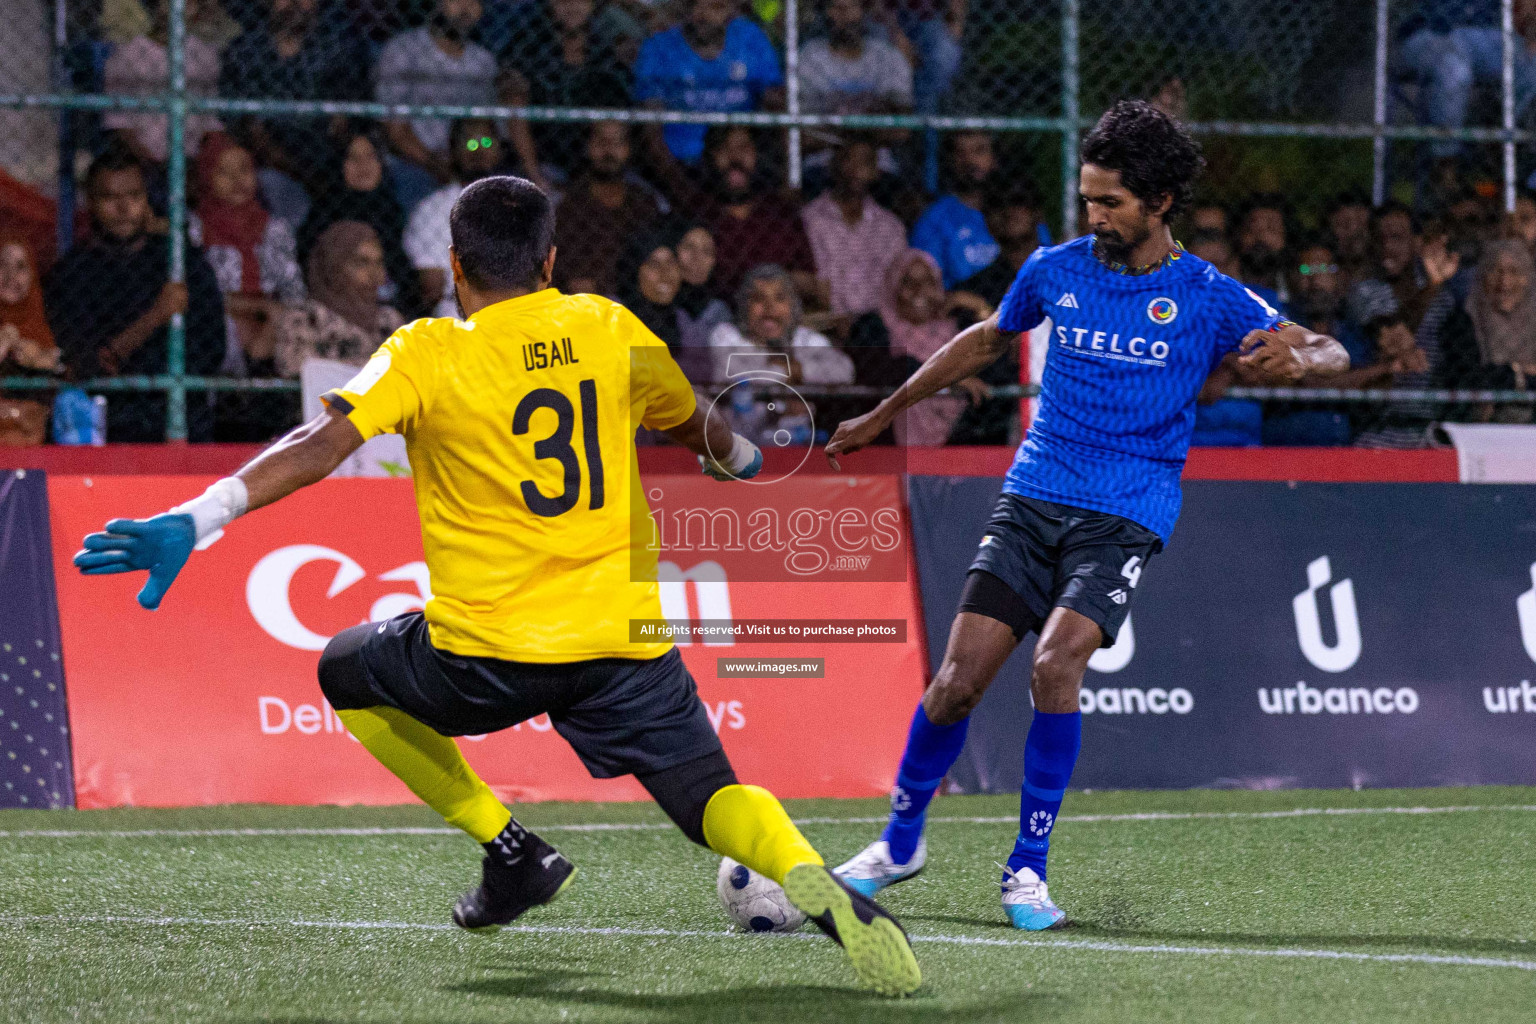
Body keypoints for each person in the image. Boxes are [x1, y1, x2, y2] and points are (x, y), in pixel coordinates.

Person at [71, 175, 920, 998]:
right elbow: (689, 416)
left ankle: (508, 847)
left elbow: (322, 441)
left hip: (486, 655)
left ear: (454, 266)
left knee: (344, 670)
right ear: (549, 263)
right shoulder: (607, 325)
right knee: (710, 800)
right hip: (623, 645)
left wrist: (201, 513)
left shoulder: (427, 349)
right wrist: (734, 457)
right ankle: (805, 870)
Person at [824, 100, 1346, 930]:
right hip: (1034, 495)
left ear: (1160, 202)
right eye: (1087, 199)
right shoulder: (1056, 268)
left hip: (1126, 510)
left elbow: (1330, 347)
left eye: (1110, 202)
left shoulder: (1206, 293)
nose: (1093, 215)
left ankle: (1026, 869)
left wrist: (1305, 356)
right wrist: (884, 411)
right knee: (955, 685)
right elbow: (989, 338)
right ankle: (898, 844)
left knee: (1055, 666)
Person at [45, 147, 226, 442]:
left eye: (133, 196)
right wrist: (157, 315)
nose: (123, 208)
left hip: (180, 411)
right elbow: (88, 364)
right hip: (108, 417)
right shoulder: (73, 273)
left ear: (147, 199)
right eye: (109, 198)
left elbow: (212, 345)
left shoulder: (180, 261)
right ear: (91, 202)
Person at [219, 0, 370, 226]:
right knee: (277, 189)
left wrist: (332, 171)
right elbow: (254, 133)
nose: (296, 3)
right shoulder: (246, 51)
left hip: (330, 160)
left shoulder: (337, 48)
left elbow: (343, 125)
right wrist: (304, 176)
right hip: (272, 166)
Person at [190, 133, 305, 376]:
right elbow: (197, 293)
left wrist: (270, 313)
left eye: (244, 169)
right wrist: (257, 306)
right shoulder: (194, 229)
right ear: (206, 176)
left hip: (269, 324)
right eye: (224, 172)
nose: (237, 180)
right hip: (217, 317)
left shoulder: (275, 229)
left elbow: (293, 291)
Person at [847, 248, 981, 445]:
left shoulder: (961, 327)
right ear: (892, 287)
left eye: (928, 282)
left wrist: (981, 308)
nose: (918, 290)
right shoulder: (874, 327)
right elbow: (885, 368)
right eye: (907, 282)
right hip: (889, 446)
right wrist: (945, 375)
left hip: (962, 443)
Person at [375, 0, 499, 207]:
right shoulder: (404, 51)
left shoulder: (483, 61)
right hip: (413, 163)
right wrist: (435, 164)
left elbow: (486, 129)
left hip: (469, 159)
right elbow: (395, 131)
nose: (466, 8)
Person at [298, 124, 425, 319]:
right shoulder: (323, 214)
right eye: (352, 158)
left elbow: (403, 278)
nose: (362, 165)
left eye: (370, 156)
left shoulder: (391, 211)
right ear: (339, 164)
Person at [633, 0, 784, 165]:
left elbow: (775, 103)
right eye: (695, 5)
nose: (703, 15)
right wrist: (680, 186)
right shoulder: (658, 48)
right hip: (679, 160)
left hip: (742, 159)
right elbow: (651, 130)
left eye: (715, 6)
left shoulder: (750, 38)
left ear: (731, 11)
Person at [494, 0, 633, 177]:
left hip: (597, 163)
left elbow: (616, 112)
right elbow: (513, 103)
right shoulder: (528, 46)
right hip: (544, 161)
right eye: (562, 1)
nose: (572, 6)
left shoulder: (605, 50)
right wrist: (535, 176)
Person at [697, 127, 819, 304]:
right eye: (724, 148)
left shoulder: (780, 212)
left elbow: (809, 283)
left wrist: (766, 287)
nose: (735, 157)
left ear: (757, 154)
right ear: (711, 156)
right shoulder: (698, 213)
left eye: (743, 147)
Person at [404, 118, 507, 318]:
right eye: (469, 143)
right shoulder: (432, 208)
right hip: (456, 313)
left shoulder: (520, 204)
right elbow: (431, 287)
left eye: (486, 142)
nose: (478, 150)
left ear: (500, 150)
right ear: (453, 152)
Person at [276, 220, 406, 377]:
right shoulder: (305, 319)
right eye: (361, 263)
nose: (375, 275)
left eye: (378, 263)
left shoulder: (389, 321)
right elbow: (296, 368)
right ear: (334, 267)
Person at [102, 0, 223, 168]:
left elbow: (211, 122)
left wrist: (202, 162)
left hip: (194, 161)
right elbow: (118, 123)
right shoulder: (128, 53)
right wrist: (149, 162)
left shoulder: (205, 53)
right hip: (142, 160)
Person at [552, 121, 666, 298]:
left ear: (629, 148)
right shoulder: (568, 204)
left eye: (618, 142)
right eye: (601, 140)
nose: (609, 149)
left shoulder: (644, 202)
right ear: (588, 145)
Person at [709, 263, 854, 396]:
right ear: (744, 306)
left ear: (792, 307)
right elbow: (739, 375)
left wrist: (800, 370)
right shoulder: (726, 335)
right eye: (759, 298)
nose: (770, 306)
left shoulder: (805, 338)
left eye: (779, 298)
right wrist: (788, 372)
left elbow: (844, 370)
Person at [800, 137, 908, 316]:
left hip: (879, 327)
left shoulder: (891, 227)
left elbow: (898, 285)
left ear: (876, 171)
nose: (855, 170)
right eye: (848, 160)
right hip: (827, 322)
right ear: (833, 166)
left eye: (865, 162)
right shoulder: (809, 219)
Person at [910, 131, 1000, 288]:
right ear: (950, 161)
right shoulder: (935, 218)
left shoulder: (1015, 211)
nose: (969, 161)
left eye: (979, 150)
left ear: (995, 159)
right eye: (960, 153)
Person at [799, 0, 914, 119]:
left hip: (876, 132)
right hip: (826, 133)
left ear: (863, 10)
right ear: (826, 12)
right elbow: (806, 112)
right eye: (837, 7)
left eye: (852, 6)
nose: (845, 14)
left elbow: (902, 110)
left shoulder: (886, 55)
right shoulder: (811, 56)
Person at [0, 234, 61, 445]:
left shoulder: (46, 328)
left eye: (20, 267)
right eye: (2, 265)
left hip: (33, 448)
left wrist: (43, 359)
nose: (10, 276)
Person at [673, 223, 733, 349]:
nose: (697, 258)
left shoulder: (721, 311)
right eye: (689, 247)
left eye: (707, 251)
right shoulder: (656, 303)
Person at [1233, 193, 1293, 309]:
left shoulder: (1296, 289)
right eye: (1252, 229)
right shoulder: (1221, 288)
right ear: (1239, 236)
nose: (1261, 238)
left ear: (1285, 237)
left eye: (1271, 230)